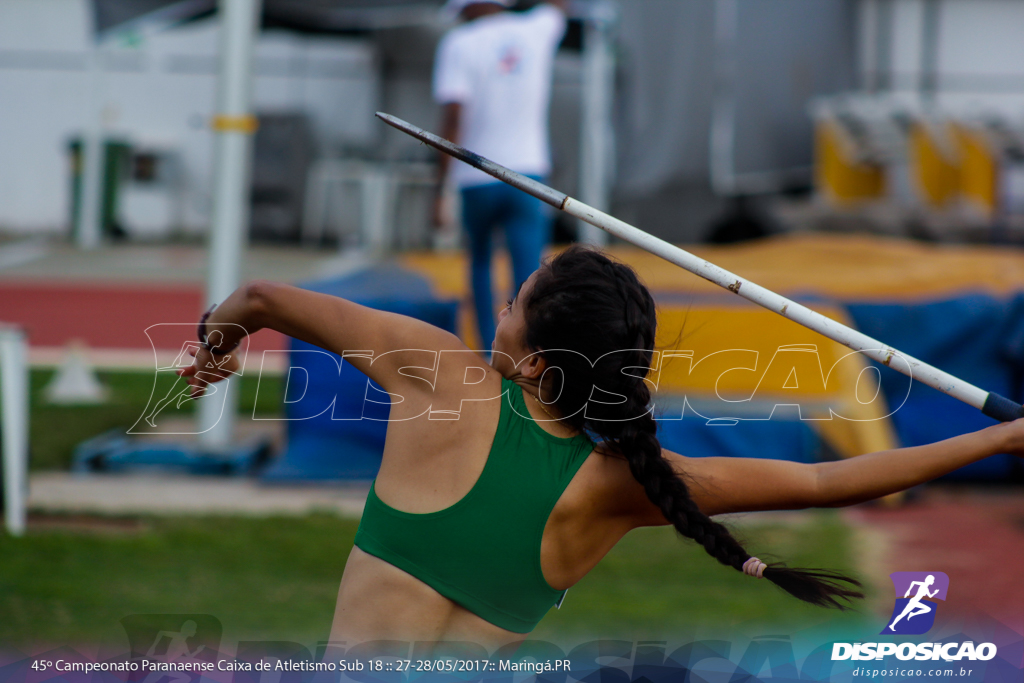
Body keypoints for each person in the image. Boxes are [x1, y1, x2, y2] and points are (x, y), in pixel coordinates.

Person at [181, 246, 1024, 649]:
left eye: (511, 302)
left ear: (540, 357)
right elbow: (824, 479)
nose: (499, 310)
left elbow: (261, 296)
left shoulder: (440, 376)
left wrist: (211, 347)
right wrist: (1010, 435)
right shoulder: (621, 485)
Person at [432, 0, 568, 350]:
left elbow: (453, 119)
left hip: (476, 175)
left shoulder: (459, 42)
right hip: (527, 174)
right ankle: (526, 354)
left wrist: (439, 190)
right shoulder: (536, 28)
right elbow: (558, 6)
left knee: (479, 265)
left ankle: (485, 353)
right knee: (529, 276)